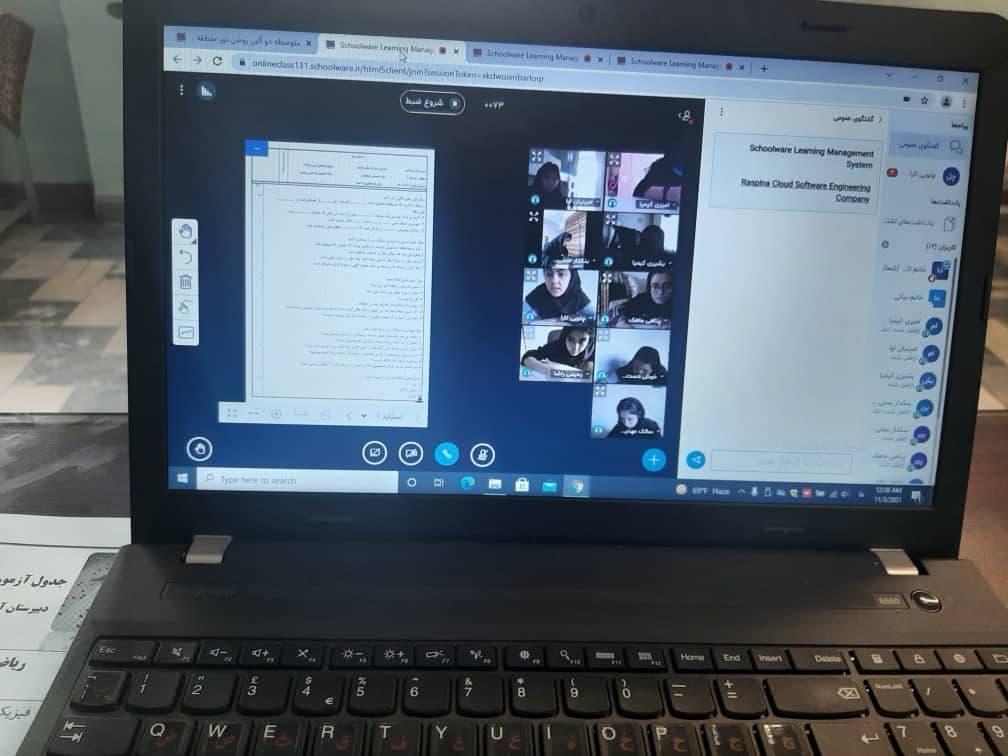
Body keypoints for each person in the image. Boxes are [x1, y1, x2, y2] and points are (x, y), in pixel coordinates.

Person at [524, 262, 593, 323]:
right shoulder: (537, 295)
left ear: (571, 276)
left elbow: (594, 322)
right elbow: (522, 318)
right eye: (549, 274)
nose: (554, 281)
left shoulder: (581, 300)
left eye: (561, 274)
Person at [521, 326, 594, 379]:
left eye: (582, 341)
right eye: (570, 339)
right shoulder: (556, 346)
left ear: (589, 340)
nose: (575, 348)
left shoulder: (592, 348)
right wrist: (546, 369)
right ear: (564, 337)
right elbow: (527, 356)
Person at [609, 270, 674, 326]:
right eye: (655, 287)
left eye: (667, 287)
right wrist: (621, 320)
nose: (660, 292)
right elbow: (617, 309)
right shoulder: (642, 299)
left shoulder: (678, 305)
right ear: (649, 287)